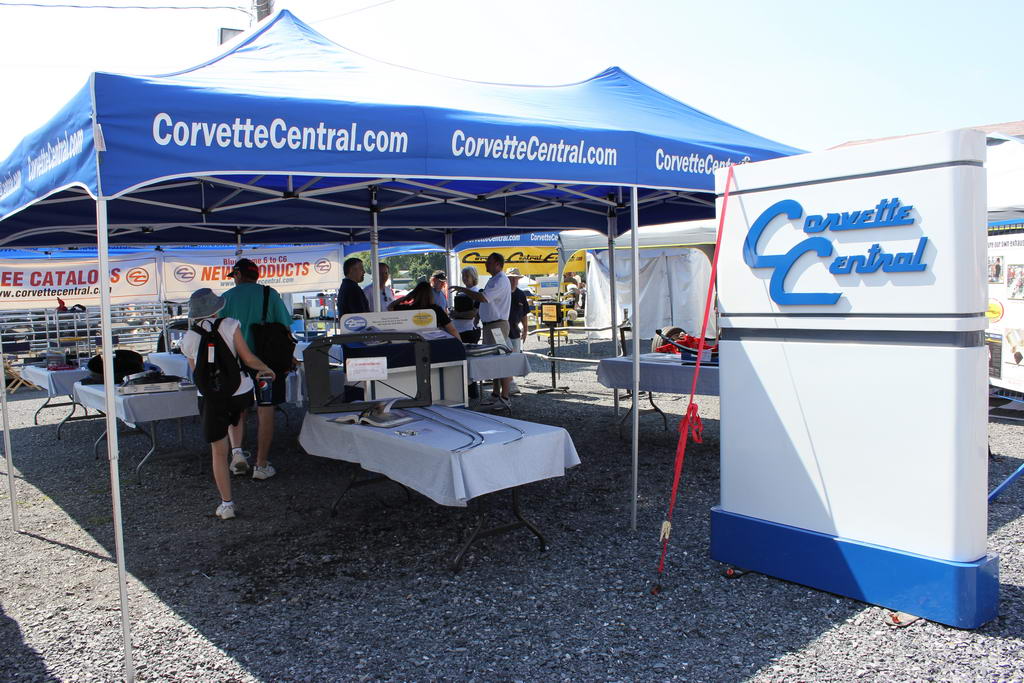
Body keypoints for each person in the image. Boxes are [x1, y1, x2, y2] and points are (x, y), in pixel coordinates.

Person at [181, 288, 275, 520]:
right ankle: (239, 452)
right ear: (217, 308)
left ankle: (227, 504)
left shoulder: (189, 338)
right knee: (236, 416)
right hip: (240, 391)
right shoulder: (231, 324)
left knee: (217, 451)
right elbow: (248, 358)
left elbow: (198, 374)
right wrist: (266, 369)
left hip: (212, 399)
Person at [219, 257, 292, 481]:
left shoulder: (226, 298)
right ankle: (261, 465)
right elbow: (286, 328)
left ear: (238, 275)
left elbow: (218, 330)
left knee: (237, 408)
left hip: (235, 363)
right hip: (265, 363)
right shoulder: (270, 294)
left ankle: (237, 454)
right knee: (265, 407)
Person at [450, 252, 512, 409]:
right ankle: (496, 393)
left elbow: (484, 297)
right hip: (491, 325)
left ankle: (504, 396)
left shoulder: (500, 280)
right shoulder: (495, 279)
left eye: (489, 262)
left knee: (501, 360)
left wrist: (462, 289)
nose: (486, 264)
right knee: (495, 359)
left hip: (497, 325)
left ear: (498, 264)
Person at [391, 282, 461, 339]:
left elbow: (390, 307)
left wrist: (406, 297)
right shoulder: (436, 310)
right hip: (433, 342)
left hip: (412, 343)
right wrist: (460, 345)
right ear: (430, 294)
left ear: (415, 294)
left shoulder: (407, 309)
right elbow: (452, 330)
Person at [505, 267, 532, 396]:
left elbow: (524, 315)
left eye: (516, 278)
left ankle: (509, 383)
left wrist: (525, 330)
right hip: (502, 329)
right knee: (506, 355)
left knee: (514, 356)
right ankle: (510, 384)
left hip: (515, 329)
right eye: (511, 278)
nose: (513, 281)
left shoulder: (521, 294)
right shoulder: (503, 292)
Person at [450, 266, 481, 344]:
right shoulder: (462, 292)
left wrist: (457, 314)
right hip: (458, 330)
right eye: (463, 276)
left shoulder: (476, 292)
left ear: (473, 277)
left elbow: (473, 314)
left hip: (468, 331)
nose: (464, 278)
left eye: (467, 276)